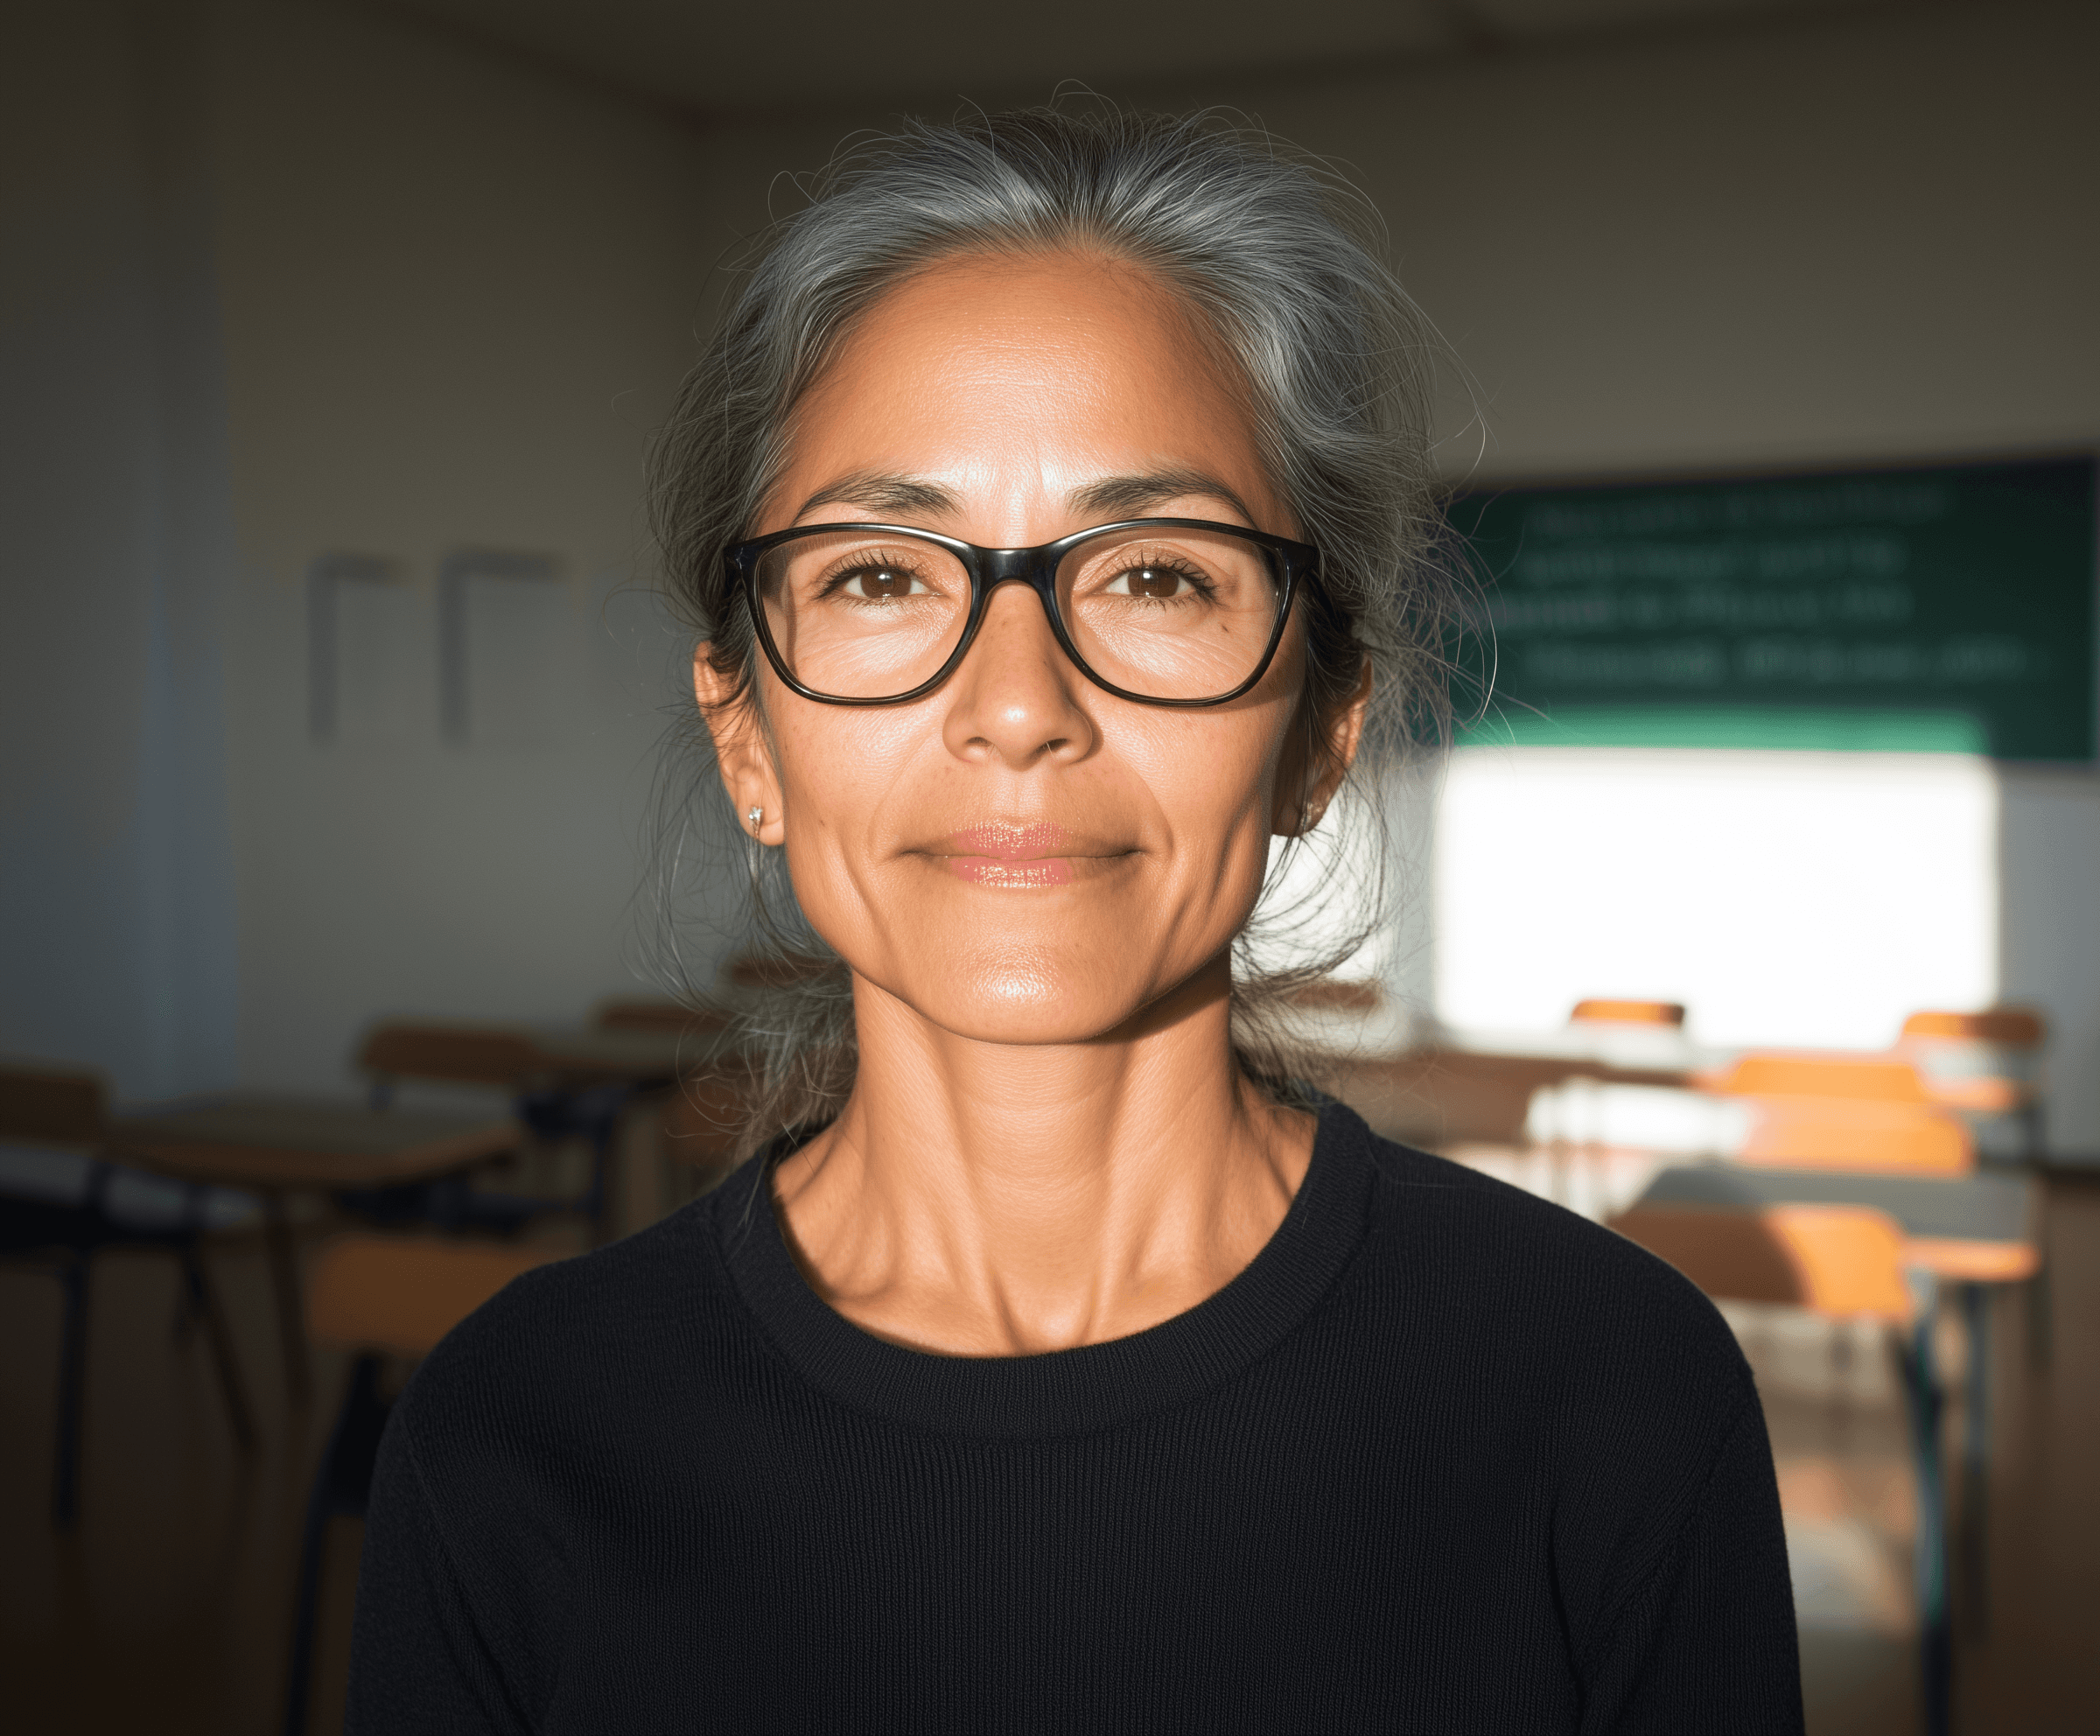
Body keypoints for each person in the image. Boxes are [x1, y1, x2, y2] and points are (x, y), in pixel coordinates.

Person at [347, 106, 1801, 1733]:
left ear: (1323, 726)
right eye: (884, 574)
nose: (1017, 705)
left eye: (1157, 575)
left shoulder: (1607, 1397)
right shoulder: (514, 1433)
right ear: (746, 736)